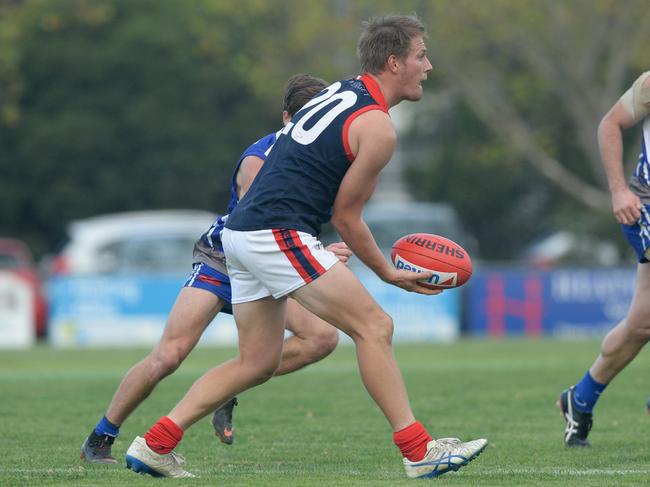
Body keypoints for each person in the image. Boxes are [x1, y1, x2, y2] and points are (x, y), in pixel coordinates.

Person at [124, 14, 487, 479]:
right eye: (421, 55)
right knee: (374, 326)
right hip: (275, 232)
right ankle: (419, 451)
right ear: (394, 62)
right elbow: (346, 217)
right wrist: (389, 273)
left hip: (241, 232)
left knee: (257, 363)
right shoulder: (377, 127)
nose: (429, 65)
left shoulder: (341, 91)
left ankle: (155, 444)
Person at [80, 74, 351, 464]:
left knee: (321, 338)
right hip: (224, 260)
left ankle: (225, 389)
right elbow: (261, 222)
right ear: (287, 117)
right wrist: (320, 252)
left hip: (269, 263)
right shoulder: (260, 158)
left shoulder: (324, 160)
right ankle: (101, 437)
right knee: (170, 355)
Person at [559, 70, 650, 447]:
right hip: (645, 208)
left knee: (643, 323)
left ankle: (580, 399)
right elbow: (610, 123)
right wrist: (617, 191)